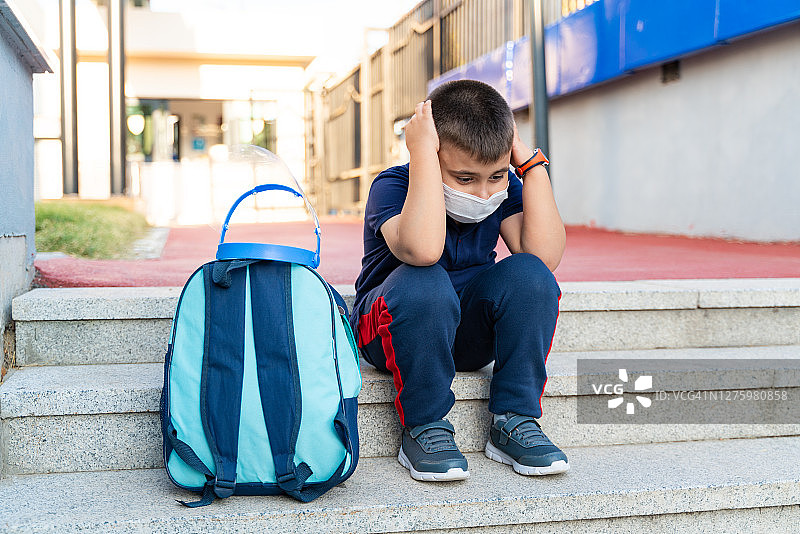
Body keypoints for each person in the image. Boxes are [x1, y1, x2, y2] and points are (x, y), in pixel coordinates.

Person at [349, 79, 568, 482]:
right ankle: (425, 425)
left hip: (463, 335)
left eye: (495, 176)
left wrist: (530, 167)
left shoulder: (505, 187)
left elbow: (545, 255)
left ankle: (513, 420)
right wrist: (422, 156)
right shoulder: (392, 187)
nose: (483, 192)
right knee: (426, 280)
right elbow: (423, 249)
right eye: (465, 179)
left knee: (530, 273)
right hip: (393, 330)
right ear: (432, 153)